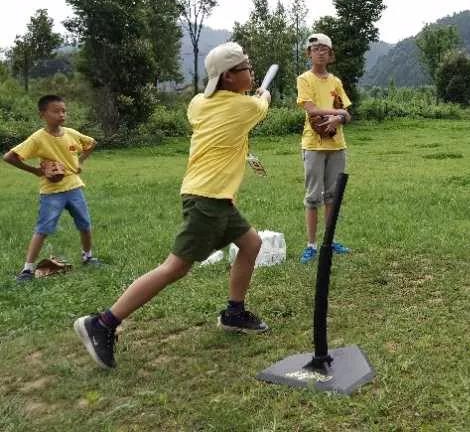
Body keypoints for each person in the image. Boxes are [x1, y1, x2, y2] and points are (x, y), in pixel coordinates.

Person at [74, 42, 271, 369]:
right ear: (227, 78)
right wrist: (262, 94)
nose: (251, 71)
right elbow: (261, 104)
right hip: (207, 198)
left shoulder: (198, 104)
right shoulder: (245, 108)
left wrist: (251, 94)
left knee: (251, 243)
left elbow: (224, 103)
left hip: (212, 195)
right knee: (175, 268)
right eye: (245, 68)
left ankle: (234, 312)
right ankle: (103, 323)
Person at [3, 95, 99, 282]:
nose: (61, 114)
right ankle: (27, 270)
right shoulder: (38, 138)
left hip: (74, 187)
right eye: (56, 111)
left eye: (64, 111)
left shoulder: (71, 133)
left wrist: (79, 161)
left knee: (85, 225)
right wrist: (36, 171)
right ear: (43, 114)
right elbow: (9, 157)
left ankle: (88, 257)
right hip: (51, 192)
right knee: (43, 229)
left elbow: (91, 143)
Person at [296, 32, 352, 264]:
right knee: (313, 196)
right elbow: (310, 109)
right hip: (313, 145)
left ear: (330, 55)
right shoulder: (304, 79)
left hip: (337, 145)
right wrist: (338, 113)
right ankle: (311, 245)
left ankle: (330, 240)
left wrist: (340, 118)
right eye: (315, 48)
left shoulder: (335, 82)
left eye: (324, 49)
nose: (319, 52)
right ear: (309, 54)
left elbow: (348, 113)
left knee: (332, 195)